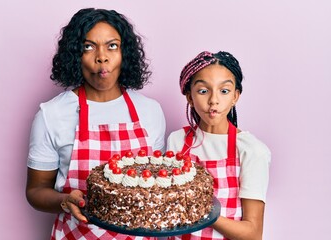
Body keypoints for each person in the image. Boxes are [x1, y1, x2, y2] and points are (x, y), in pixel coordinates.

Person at [26, 8, 166, 239]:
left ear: (125, 53)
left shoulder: (150, 111)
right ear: (75, 55)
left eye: (112, 46)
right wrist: (64, 200)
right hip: (76, 233)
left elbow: (156, 182)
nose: (102, 56)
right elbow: (35, 191)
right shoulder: (51, 114)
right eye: (88, 47)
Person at [167, 51, 271, 240]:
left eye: (224, 91)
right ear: (190, 97)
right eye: (203, 91)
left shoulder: (252, 150)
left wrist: (204, 212)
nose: (213, 100)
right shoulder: (177, 141)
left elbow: (253, 234)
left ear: (235, 97)